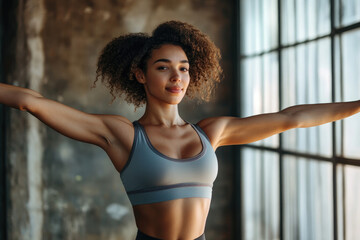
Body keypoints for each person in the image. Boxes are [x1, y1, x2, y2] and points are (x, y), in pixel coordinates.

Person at [0, 20, 359, 240]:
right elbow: (31, 102)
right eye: (163, 67)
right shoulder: (122, 135)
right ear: (140, 74)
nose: (177, 77)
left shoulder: (212, 132)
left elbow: (290, 118)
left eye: (184, 68)